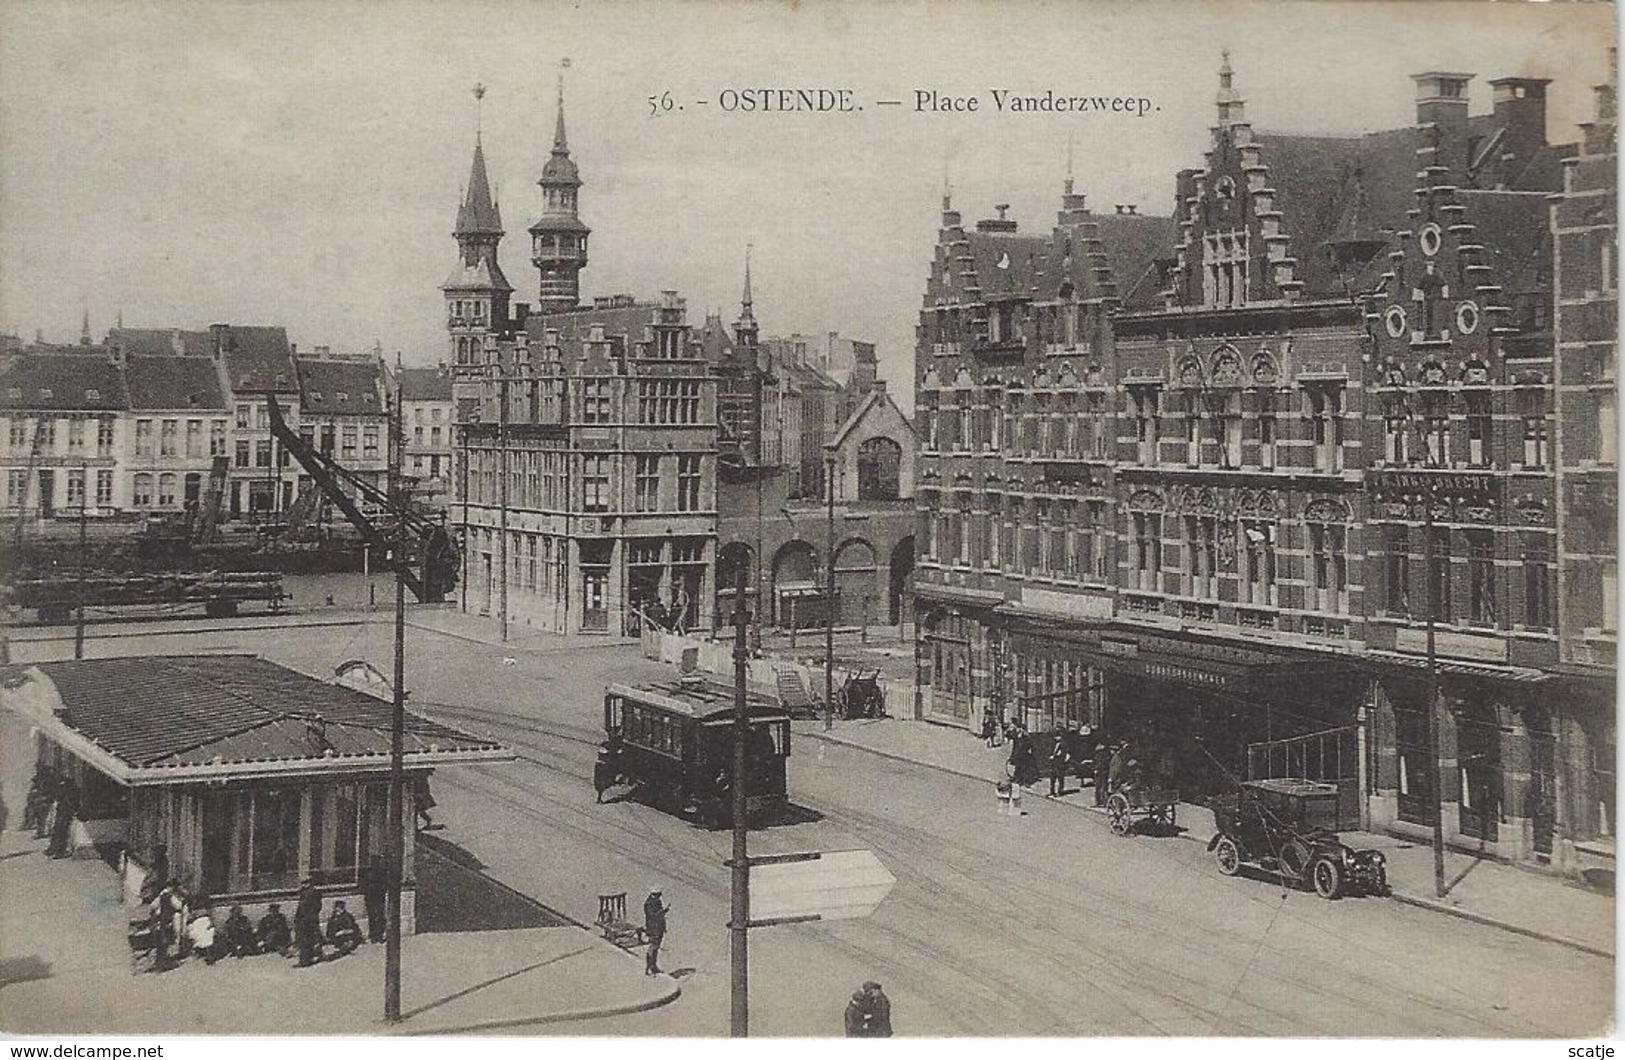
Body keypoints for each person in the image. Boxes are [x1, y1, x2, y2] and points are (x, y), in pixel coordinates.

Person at [45, 775, 78, 858]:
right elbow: (71, 804)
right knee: (62, 831)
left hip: (61, 812)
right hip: (64, 813)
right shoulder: (69, 794)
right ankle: (59, 851)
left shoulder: (63, 793)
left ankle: (53, 849)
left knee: (57, 830)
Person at [294, 879, 324, 967]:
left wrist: (309, 917)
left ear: (310, 883)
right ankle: (310, 957)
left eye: (305, 883)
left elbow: (316, 907)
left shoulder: (313, 893)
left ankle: (305, 961)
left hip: (309, 920)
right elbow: (300, 908)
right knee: (306, 940)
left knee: (306, 940)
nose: (303, 885)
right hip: (303, 920)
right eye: (302, 883)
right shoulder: (304, 893)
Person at [361, 855, 387, 943]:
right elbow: (364, 886)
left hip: (377, 898)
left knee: (377, 917)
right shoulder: (370, 874)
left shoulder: (381, 873)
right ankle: (375, 935)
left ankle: (377, 935)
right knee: (374, 917)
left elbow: (384, 885)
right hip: (373, 898)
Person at [643, 888, 669, 976]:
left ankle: (654, 966)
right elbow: (653, 916)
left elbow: (661, 916)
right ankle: (648, 968)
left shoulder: (657, 902)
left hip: (659, 928)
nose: (660, 897)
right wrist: (664, 911)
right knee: (652, 948)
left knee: (656, 948)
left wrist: (664, 926)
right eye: (659, 895)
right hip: (653, 928)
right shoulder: (649, 904)